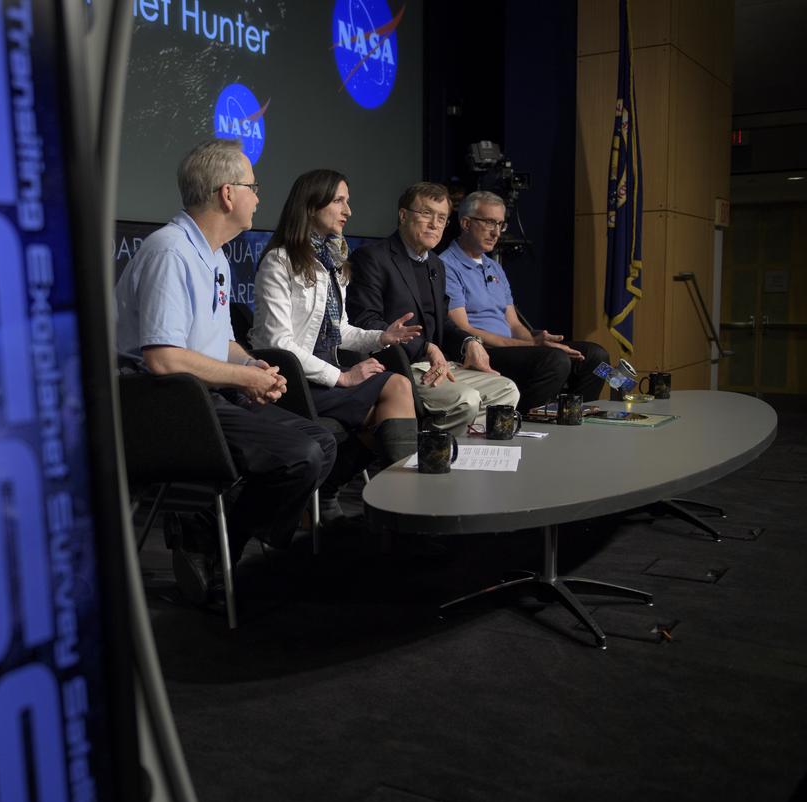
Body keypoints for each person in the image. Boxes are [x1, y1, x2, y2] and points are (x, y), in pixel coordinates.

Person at [114, 138, 336, 605]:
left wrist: (252, 365)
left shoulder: (212, 255)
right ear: (227, 194)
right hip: (164, 408)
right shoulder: (170, 253)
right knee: (300, 456)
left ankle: (210, 539)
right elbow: (163, 359)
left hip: (200, 397)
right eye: (253, 187)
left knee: (321, 442)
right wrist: (243, 380)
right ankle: (215, 546)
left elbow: (218, 342)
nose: (259, 197)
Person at [249, 169, 423, 520]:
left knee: (390, 407)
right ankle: (406, 516)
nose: (348, 210)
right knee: (397, 391)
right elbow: (275, 342)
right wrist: (342, 378)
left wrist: (380, 338)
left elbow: (337, 330)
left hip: (323, 375)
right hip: (292, 383)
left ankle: (371, 505)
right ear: (311, 206)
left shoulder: (331, 261)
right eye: (339, 201)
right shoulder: (279, 261)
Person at [346, 182, 519, 430]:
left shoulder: (436, 265)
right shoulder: (373, 258)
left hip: (439, 365)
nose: (435, 224)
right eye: (426, 214)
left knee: (506, 390)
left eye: (442, 218)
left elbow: (444, 323)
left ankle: (468, 452)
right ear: (403, 215)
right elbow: (366, 323)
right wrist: (425, 347)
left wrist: (469, 342)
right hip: (400, 366)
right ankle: (435, 455)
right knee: (465, 400)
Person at [439, 190, 610, 411]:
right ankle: (528, 422)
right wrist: (533, 345)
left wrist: (534, 340)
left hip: (513, 348)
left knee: (596, 356)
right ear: (465, 223)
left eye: (501, 224)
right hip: (480, 352)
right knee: (555, 360)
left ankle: (576, 414)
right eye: (490, 223)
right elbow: (463, 329)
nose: (496, 232)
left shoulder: (494, 267)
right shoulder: (446, 265)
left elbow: (514, 324)